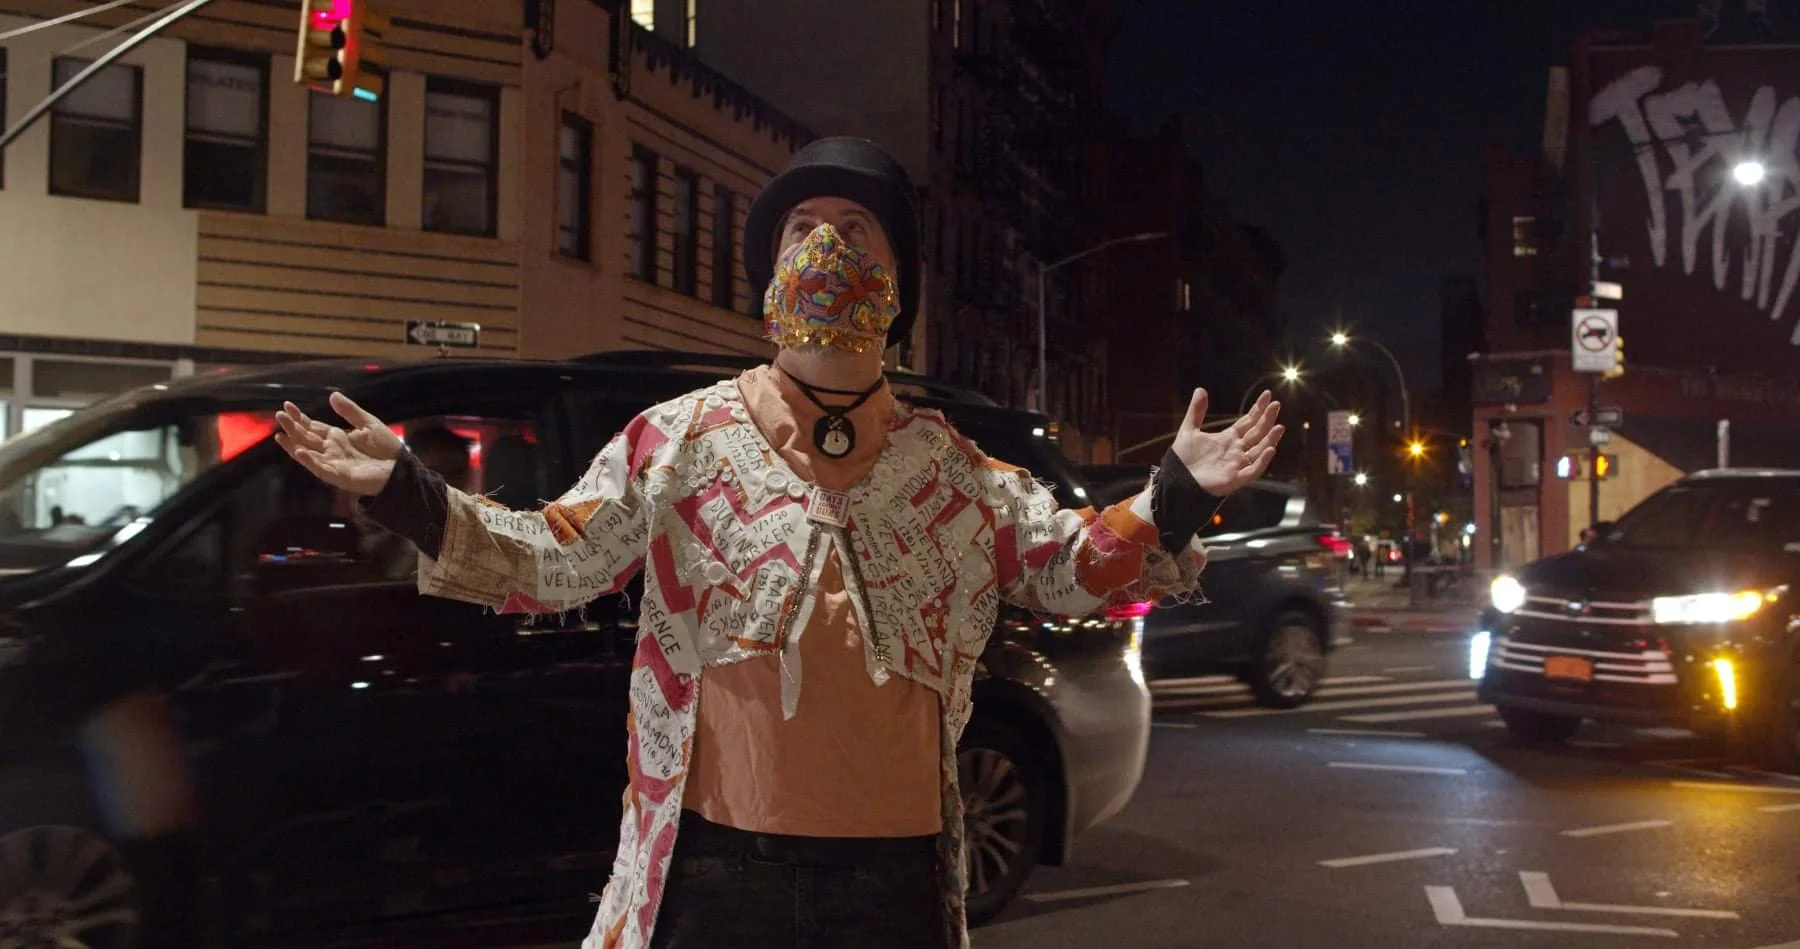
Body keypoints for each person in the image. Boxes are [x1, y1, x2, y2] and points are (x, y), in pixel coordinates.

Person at [273, 137, 1284, 949]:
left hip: (897, 887)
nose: (829, 248)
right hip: (717, 879)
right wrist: (409, 492)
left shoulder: (956, 473)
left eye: (857, 230)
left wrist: (1180, 492)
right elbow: (554, 559)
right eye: (805, 228)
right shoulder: (679, 442)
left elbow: (1071, 568)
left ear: (899, 284)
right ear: (768, 275)